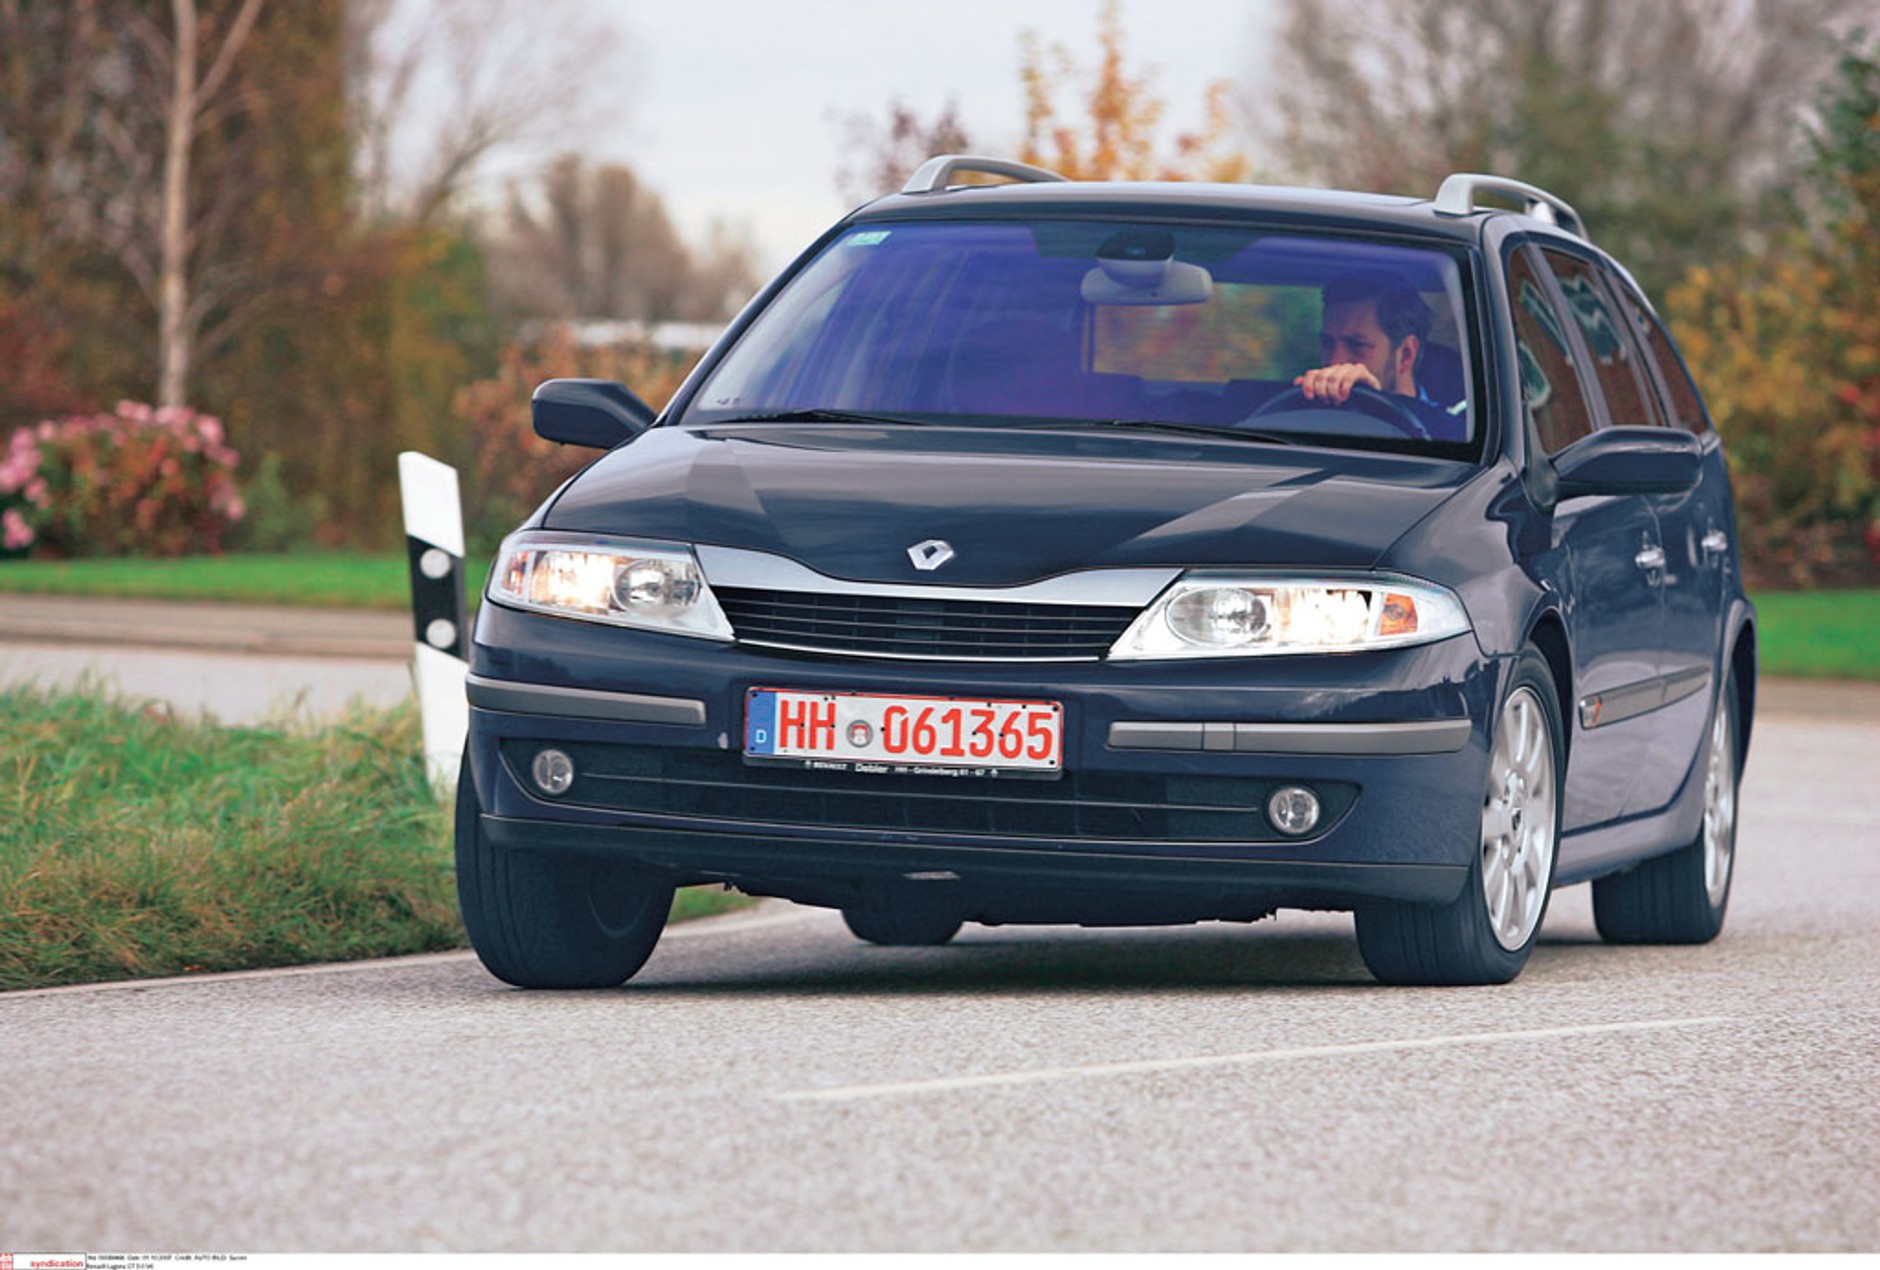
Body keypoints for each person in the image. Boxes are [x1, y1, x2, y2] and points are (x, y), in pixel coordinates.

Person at [1293, 268, 1460, 438]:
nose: (1335, 361)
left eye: (1357, 345)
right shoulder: (1304, 415)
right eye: (1327, 343)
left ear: (1405, 354)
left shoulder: (1452, 428)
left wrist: (1378, 408)